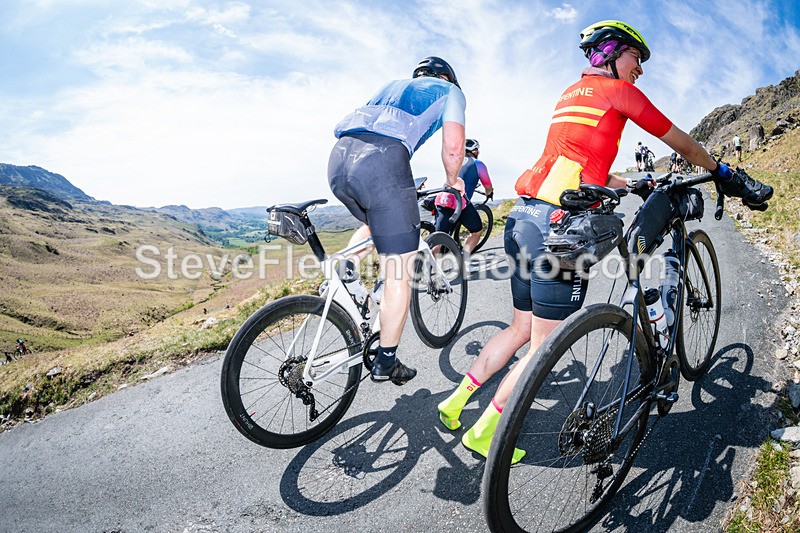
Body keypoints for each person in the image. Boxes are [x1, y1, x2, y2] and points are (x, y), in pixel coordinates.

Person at [437, 19, 773, 462]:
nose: (641, 69)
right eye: (637, 58)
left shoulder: (570, 95)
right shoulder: (619, 92)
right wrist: (723, 172)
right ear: (613, 54)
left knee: (520, 328)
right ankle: (487, 433)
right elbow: (681, 142)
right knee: (542, 347)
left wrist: (629, 184)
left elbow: (576, 164)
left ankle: (456, 401)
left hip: (523, 221)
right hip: (558, 232)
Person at [329, 56, 466, 384]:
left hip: (339, 161)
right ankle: (386, 360)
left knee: (376, 222)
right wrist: (453, 179)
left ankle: (346, 267)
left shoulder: (390, 86)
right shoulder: (451, 92)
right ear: (448, 77)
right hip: (382, 163)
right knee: (399, 273)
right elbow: (453, 145)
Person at [433, 138, 494, 252]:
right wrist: (489, 193)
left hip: (442, 198)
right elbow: (488, 186)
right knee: (477, 231)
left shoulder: (454, 161)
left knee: (438, 240)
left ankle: (426, 266)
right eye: (477, 150)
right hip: (459, 201)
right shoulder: (478, 164)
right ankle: (463, 261)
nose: (478, 153)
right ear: (474, 151)